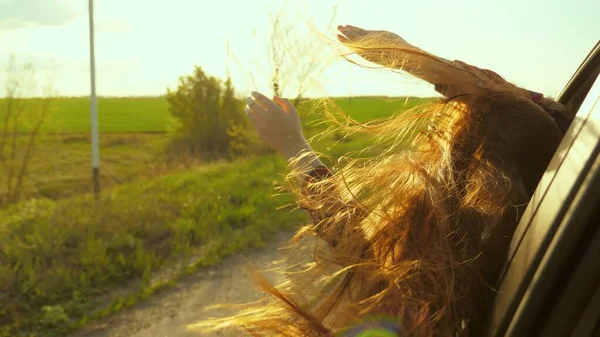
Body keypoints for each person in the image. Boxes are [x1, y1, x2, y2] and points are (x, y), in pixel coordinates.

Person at [195, 25, 568, 337]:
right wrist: (415, 59)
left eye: (441, 135)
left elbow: (357, 241)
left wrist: (295, 147)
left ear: (460, 165)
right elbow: (548, 119)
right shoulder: (545, 206)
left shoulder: (438, 276)